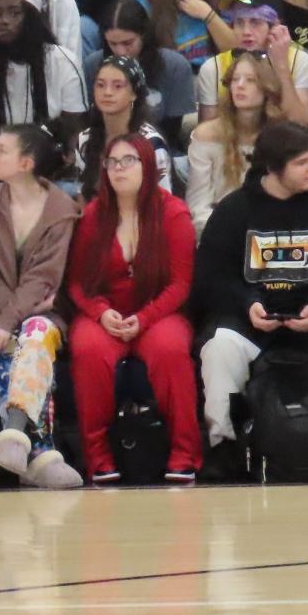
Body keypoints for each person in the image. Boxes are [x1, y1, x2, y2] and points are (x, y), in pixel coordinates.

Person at [193, 121, 308, 472]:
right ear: (274, 169)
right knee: (219, 349)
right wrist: (248, 303)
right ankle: (224, 449)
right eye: (302, 162)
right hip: (252, 320)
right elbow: (211, 278)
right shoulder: (233, 211)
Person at [67, 132, 201, 484]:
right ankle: (98, 457)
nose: (119, 169)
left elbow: (181, 285)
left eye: (129, 161)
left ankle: (184, 453)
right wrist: (99, 313)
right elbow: (77, 283)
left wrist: (145, 318)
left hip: (159, 312)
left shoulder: (173, 213)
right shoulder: (95, 215)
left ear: (148, 166)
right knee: (87, 348)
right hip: (106, 312)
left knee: (170, 349)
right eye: (112, 162)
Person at [0, 125, 82, 488]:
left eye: (1, 150)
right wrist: (5, 320)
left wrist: (14, 320)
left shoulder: (62, 210)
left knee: (36, 335)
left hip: (40, 311)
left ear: (26, 163)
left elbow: (44, 277)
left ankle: (15, 433)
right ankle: (40, 452)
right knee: (7, 340)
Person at [0, 0, 87, 154]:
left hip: (51, 160)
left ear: (33, 20)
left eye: (14, 13)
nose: (3, 21)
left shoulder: (64, 61)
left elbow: (74, 131)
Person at [187, 51, 289, 230]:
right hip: (219, 228)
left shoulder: (281, 137)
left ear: (267, 88)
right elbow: (198, 207)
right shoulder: (206, 135)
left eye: (250, 80)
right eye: (235, 79)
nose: (240, 86)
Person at [196, 0, 308, 123]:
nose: (246, 31)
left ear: (274, 26)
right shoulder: (214, 67)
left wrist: (281, 66)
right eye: (240, 22)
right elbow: (207, 133)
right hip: (231, 139)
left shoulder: (297, 59)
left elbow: (302, 122)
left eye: (255, 22)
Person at [95, 0, 203, 134]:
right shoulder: (93, 64)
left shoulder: (175, 66)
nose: (120, 52)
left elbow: (173, 131)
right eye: (113, 44)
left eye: (128, 43)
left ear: (144, 35)